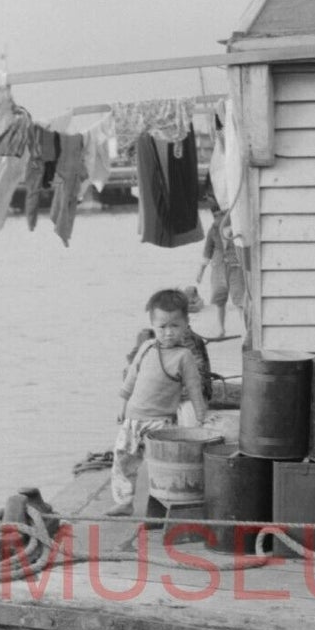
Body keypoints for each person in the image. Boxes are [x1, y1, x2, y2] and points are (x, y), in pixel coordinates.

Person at [109, 288, 210, 515]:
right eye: (162, 327)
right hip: (133, 419)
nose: (168, 333)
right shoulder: (146, 348)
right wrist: (122, 406)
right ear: (153, 325)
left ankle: (159, 502)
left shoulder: (184, 356)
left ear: (186, 324)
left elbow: (195, 389)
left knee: (158, 465)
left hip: (161, 422)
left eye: (174, 326)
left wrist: (202, 417)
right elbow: (131, 378)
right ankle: (125, 501)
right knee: (123, 460)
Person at [197, 201, 249, 344]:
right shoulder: (214, 229)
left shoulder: (239, 227)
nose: (219, 217)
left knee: (239, 300)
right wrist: (201, 271)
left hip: (236, 266)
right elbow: (207, 249)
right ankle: (221, 328)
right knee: (219, 299)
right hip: (218, 266)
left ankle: (246, 330)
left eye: (221, 214)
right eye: (216, 215)